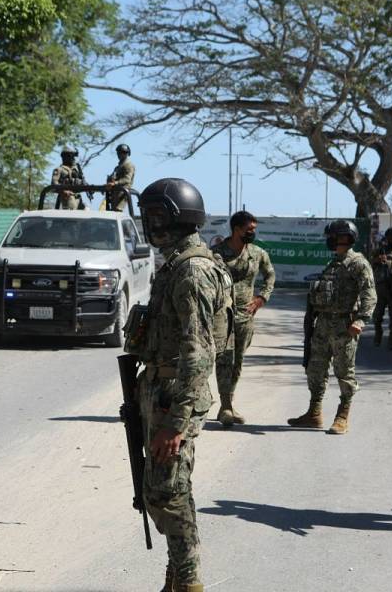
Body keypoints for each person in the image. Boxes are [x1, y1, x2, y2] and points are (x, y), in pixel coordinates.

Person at [135, 178, 231, 592]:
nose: (150, 225)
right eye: (148, 216)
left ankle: (189, 583)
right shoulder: (177, 263)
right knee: (161, 490)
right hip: (161, 391)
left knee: (168, 494)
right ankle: (177, 578)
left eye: (157, 216)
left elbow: (199, 353)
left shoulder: (191, 271)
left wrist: (176, 422)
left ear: (179, 218)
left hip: (176, 397)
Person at [288, 220, 376, 434]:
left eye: (333, 236)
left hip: (344, 326)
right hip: (323, 325)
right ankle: (314, 413)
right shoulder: (334, 263)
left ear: (344, 237)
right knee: (315, 370)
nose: (330, 240)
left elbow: (369, 294)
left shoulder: (357, 263)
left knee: (345, 372)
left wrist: (361, 320)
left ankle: (343, 416)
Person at [211, 211, 276, 426]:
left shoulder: (257, 254)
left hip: (245, 316)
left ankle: (228, 404)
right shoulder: (216, 253)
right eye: (249, 229)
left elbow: (270, 275)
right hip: (221, 315)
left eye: (254, 229)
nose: (253, 233)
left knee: (237, 360)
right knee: (223, 360)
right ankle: (225, 405)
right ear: (236, 229)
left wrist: (261, 298)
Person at [105, 144, 135, 211]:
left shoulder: (128, 165)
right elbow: (114, 177)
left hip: (122, 193)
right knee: (112, 212)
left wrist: (115, 183)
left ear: (127, 153)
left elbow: (127, 179)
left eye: (122, 152)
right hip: (115, 192)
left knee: (117, 211)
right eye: (119, 152)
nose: (119, 154)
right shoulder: (118, 166)